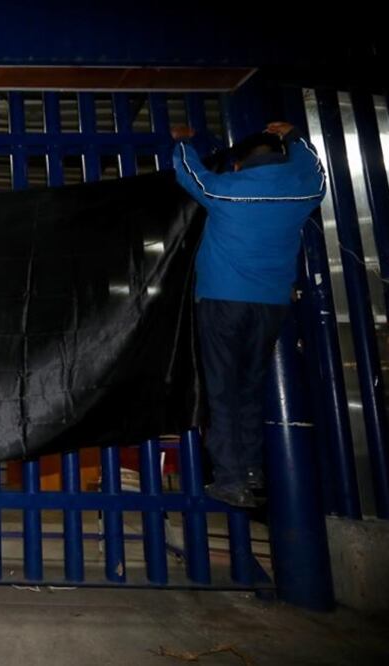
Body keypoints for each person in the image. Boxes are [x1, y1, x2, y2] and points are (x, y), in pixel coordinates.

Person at [171, 121, 326, 508]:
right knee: (250, 387)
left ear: (239, 165)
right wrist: (294, 137)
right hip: (272, 304)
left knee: (221, 389)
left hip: (223, 299)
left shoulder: (229, 191)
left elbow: (193, 177)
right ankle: (253, 471)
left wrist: (183, 143)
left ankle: (230, 479)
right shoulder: (303, 189)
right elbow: (318, 171)